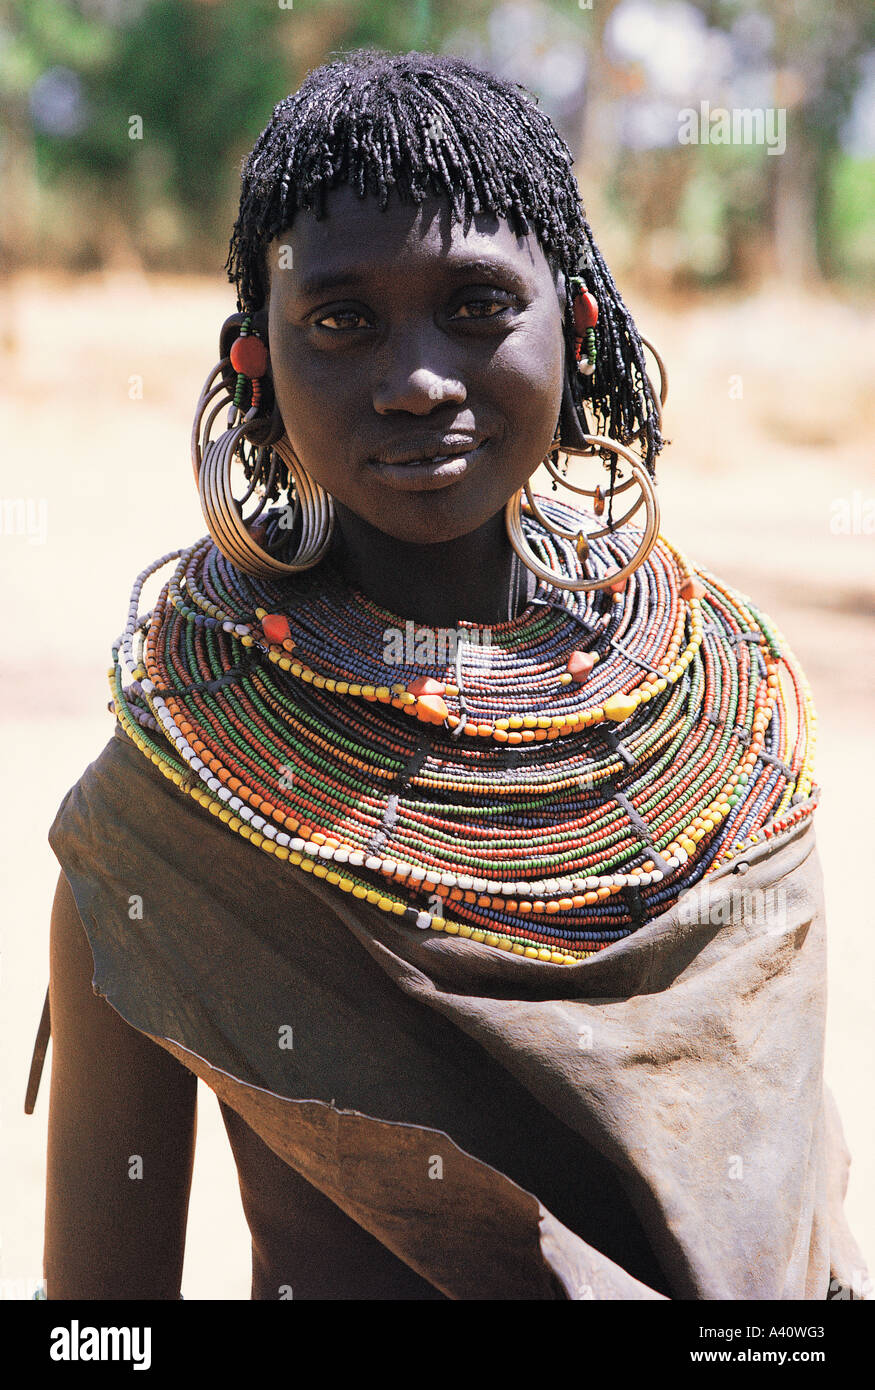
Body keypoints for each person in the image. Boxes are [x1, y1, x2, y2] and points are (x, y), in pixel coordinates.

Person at [31, 48, 866, 1301]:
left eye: (475, 306)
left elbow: (788, 1238)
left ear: (577, 329)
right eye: (340, 320)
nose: (416, 380)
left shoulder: (731, 756)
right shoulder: (174, 808)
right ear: (256, 359)